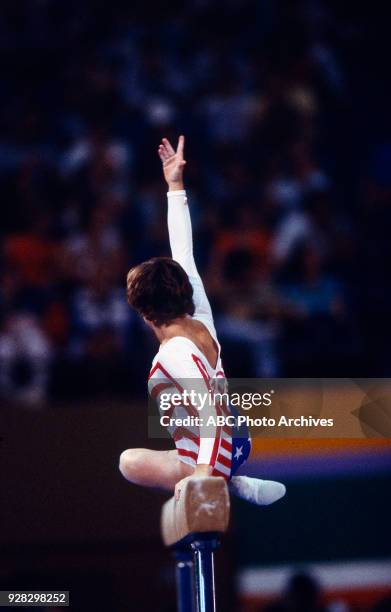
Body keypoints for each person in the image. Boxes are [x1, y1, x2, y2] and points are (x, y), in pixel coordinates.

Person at [119, 135, 286, 505]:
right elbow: (184, 249)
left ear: (145, 313)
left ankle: (226, 480)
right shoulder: (200, 317)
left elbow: (210, 418)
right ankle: (236, 481)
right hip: (238, 443)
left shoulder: (174, 353)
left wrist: (201, 476)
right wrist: (174, 185)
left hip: (215, 449)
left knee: (128, 462)